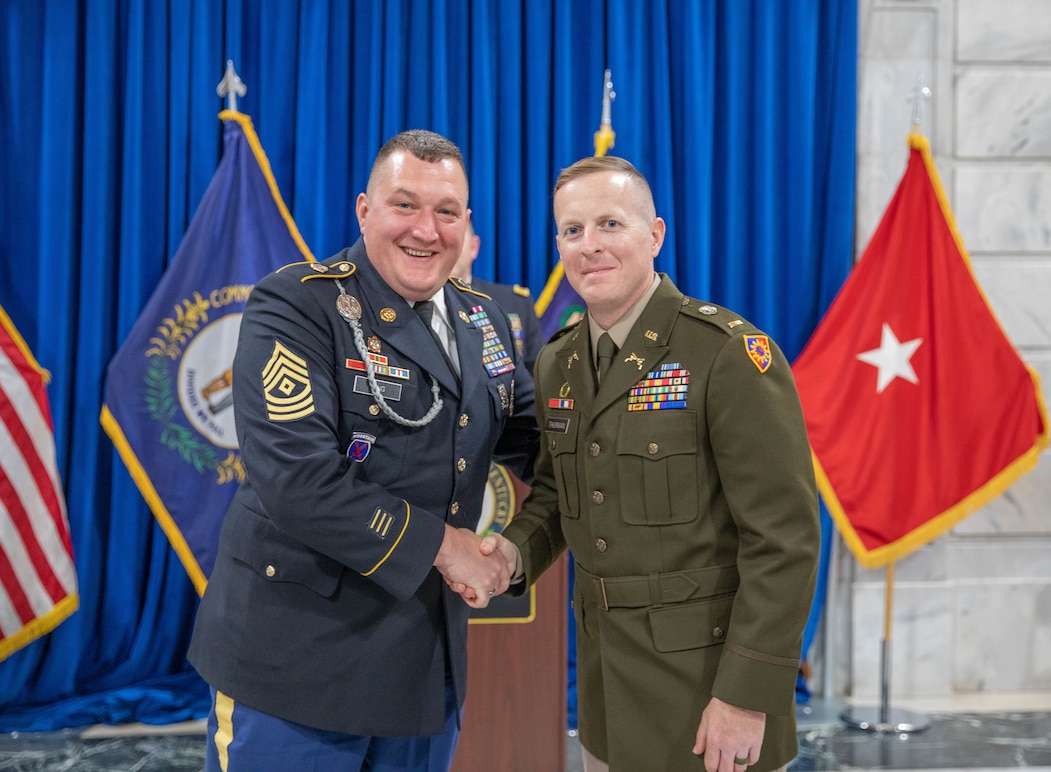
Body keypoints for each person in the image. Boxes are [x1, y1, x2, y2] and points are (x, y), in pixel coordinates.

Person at [188, 129, 539, 772]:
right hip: (295, 662)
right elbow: (300, 481)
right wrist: (447, 546)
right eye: (405, 204)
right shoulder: (299, 303)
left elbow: (536, 440)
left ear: (467, 222)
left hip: (424, 664)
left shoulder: (486, 321)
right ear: (364, 210)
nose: (426, 231)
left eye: (447, 211)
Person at [466, 156, 820, 772]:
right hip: (607, 696)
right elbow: (557, 495)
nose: (589, 246)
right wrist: (513, 554)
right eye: (572, 231)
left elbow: (784, 539)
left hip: (711, 694)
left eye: (609, 224)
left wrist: (746, 694)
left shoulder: (726, 353)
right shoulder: (559, 362)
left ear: (654, 234)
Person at [451, 219, 542, 374]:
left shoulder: (515, 303)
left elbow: (537, 376)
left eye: (455, 237)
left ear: (474, 247)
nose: (448, 246)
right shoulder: (412, 302)